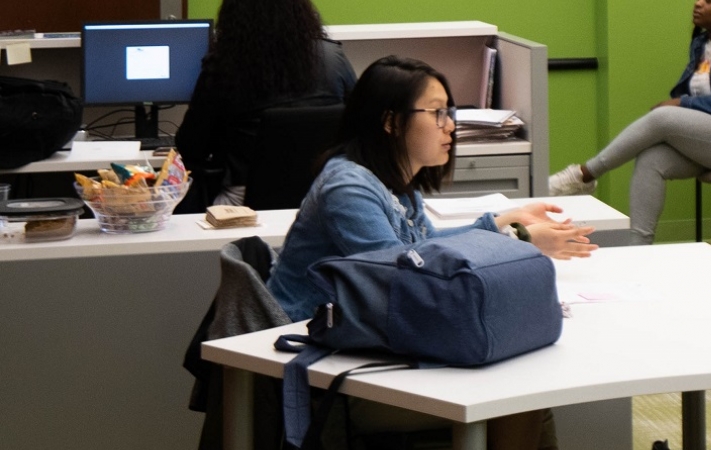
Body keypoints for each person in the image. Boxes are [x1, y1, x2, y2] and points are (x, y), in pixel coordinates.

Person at [269, 55, 596, 450]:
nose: (452, 126)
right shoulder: (348, 188)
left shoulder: (396, 184)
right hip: (325, 367)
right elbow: (404, 279)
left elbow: (425, 249)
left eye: (450, 112)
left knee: (527, 396)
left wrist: (500, 223)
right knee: (517, 399)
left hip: (364, 343)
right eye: (437, 113)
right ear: (391, 121)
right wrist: (520, 239)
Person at [547, 0, 711, 245]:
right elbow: (692, 95)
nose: (698, 3)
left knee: (663, 117)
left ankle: (582, 175)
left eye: (710, 0)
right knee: (651, 159)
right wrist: (683, 104)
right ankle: (639, 247)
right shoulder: (702, 43)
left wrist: (681, 104)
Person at [174, 0, 357, 212]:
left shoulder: (223, 65)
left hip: (245, 202)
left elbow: (191, 146)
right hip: (326, 192)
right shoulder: (333, 57)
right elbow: (359, 123)